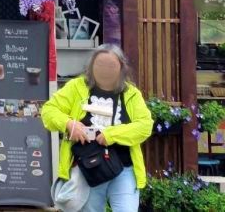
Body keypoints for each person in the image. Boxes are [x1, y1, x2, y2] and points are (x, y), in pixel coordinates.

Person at [41, 44, 153, 212]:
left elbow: (145, 125)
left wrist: (111, 135)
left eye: (111, 66)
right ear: (91, 65)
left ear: (121, 67)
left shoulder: (131, 94)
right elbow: (49, 110)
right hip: (88, 167)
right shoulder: (76, 87)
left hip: (124, 168)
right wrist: (69, 124)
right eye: (100, 65)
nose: (105, 70)